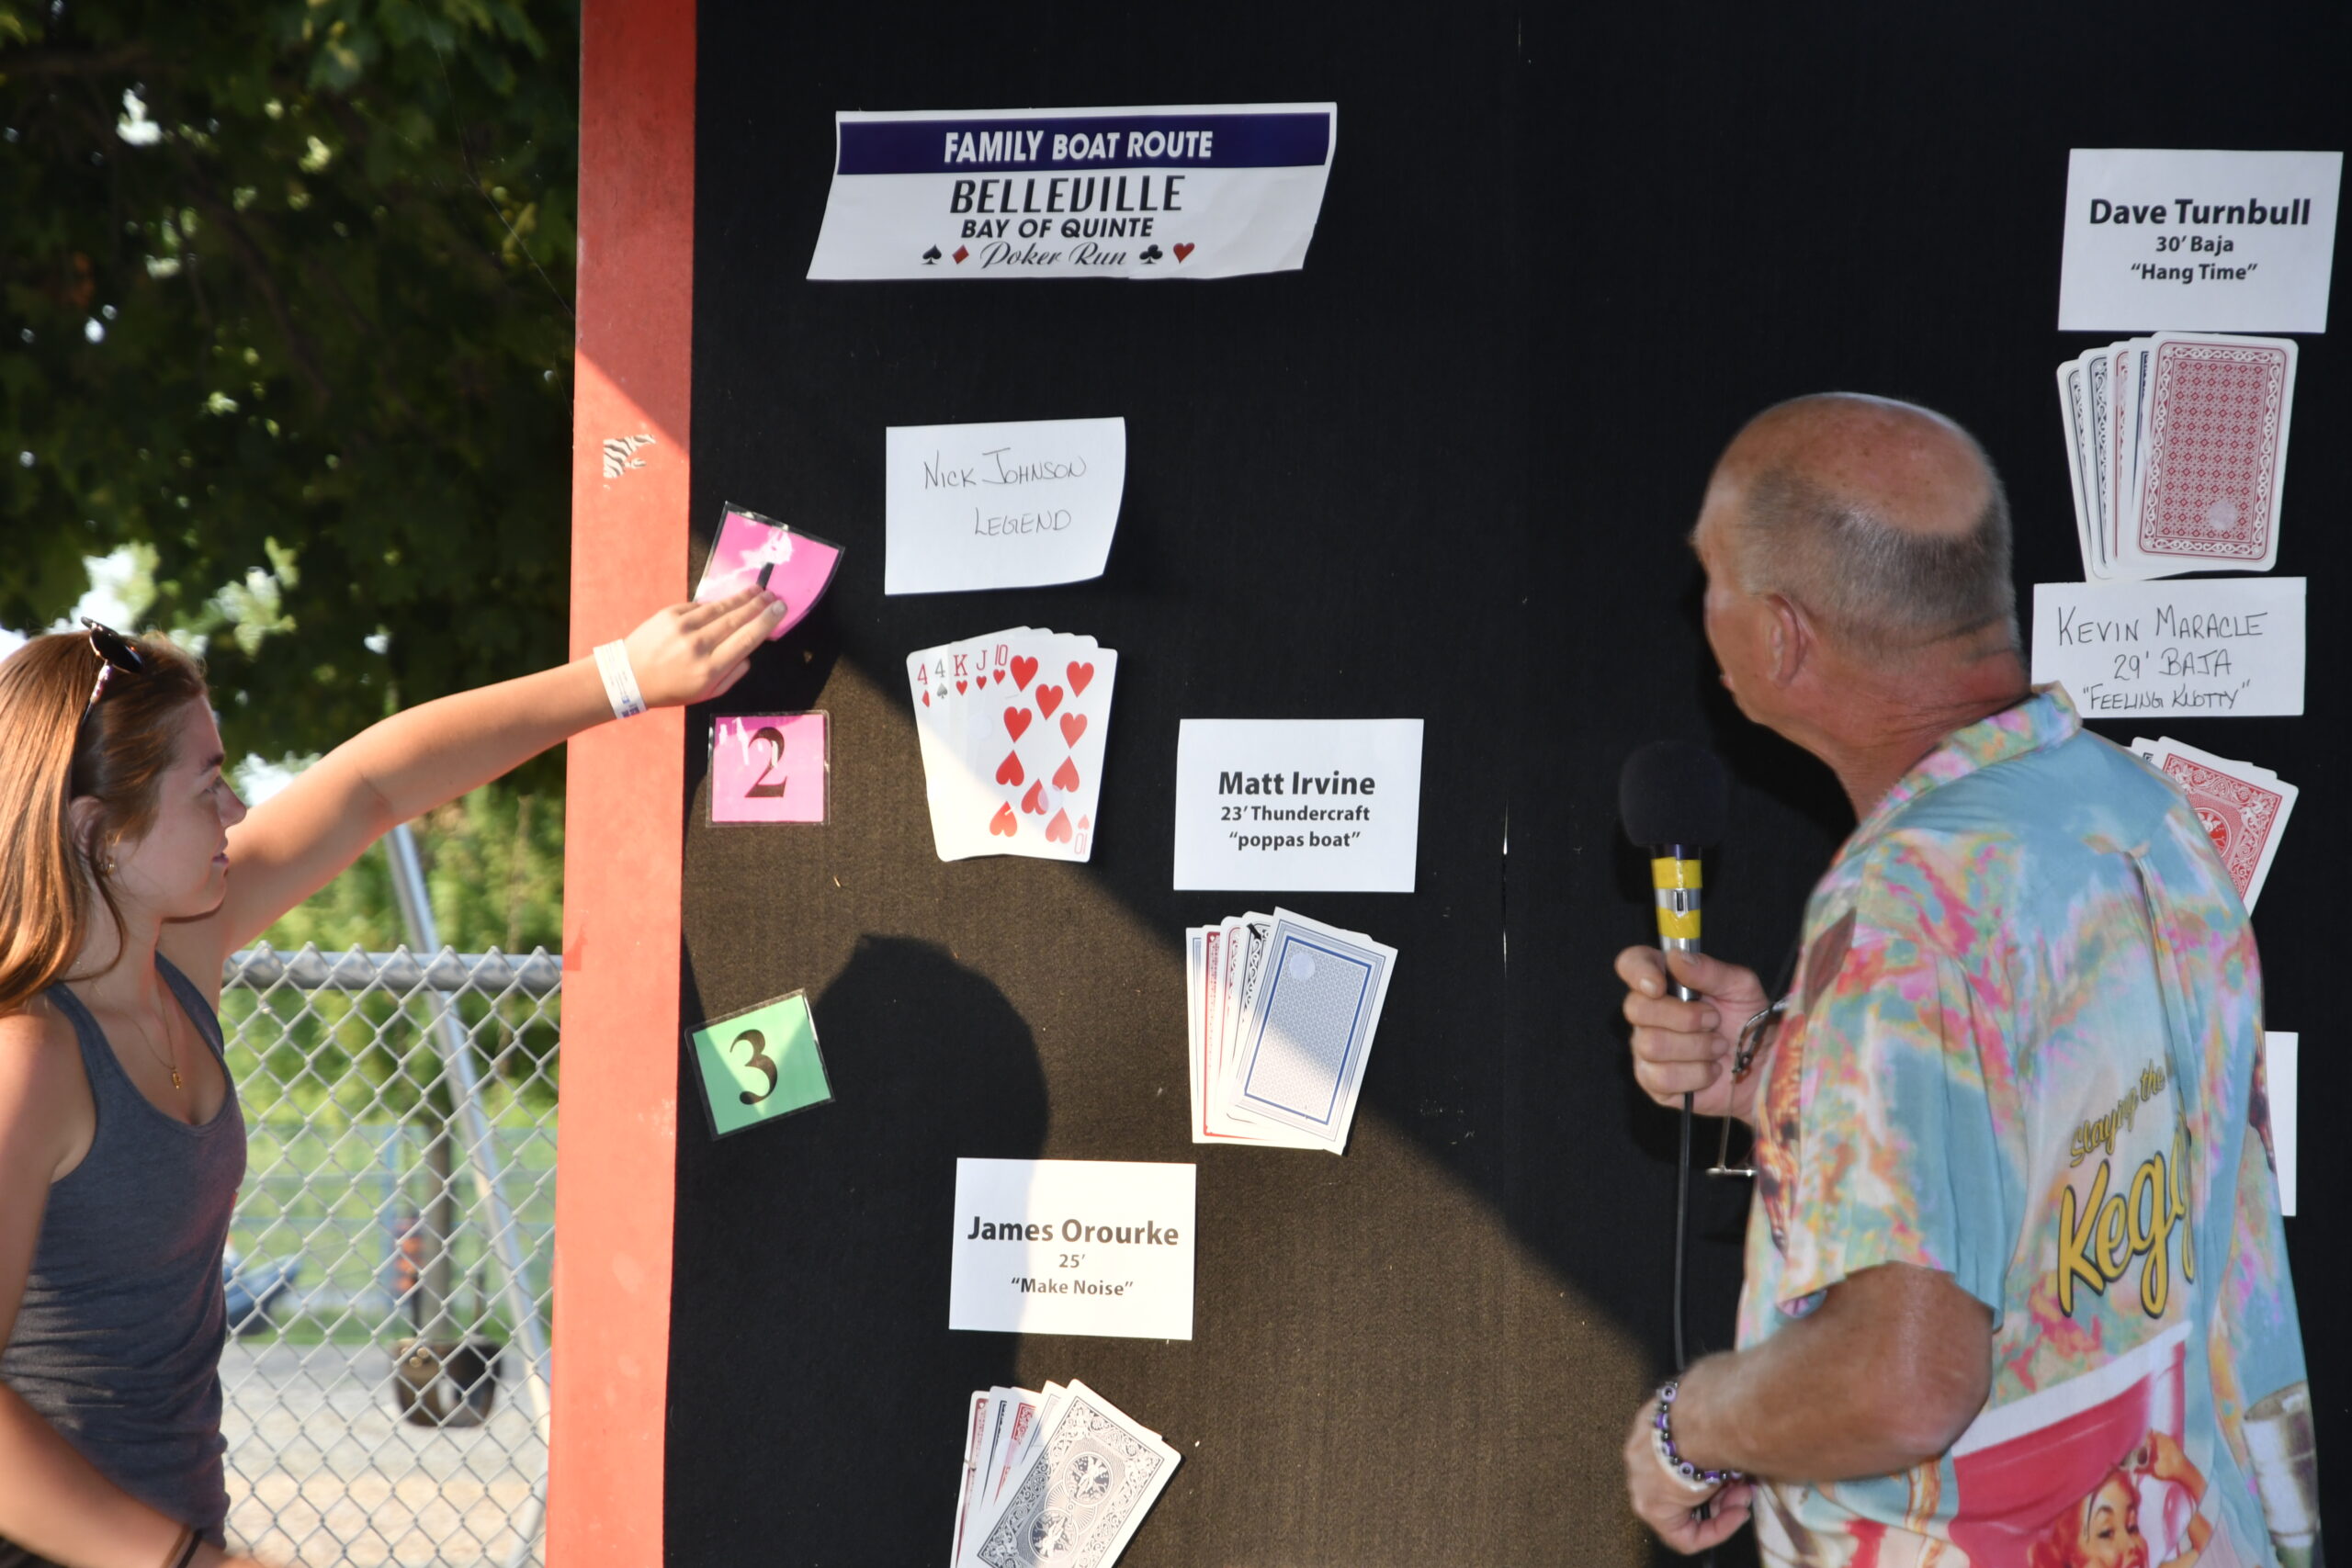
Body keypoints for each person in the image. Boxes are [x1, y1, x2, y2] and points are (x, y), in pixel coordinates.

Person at [1612, 394, 2316, 1563]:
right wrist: (1787, 1068)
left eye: (1714, 586)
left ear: (1785, 637)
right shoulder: (2126, 809)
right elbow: (2054, 1136)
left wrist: (1692, 1427)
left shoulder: (1907, 906)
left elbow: (1902, 1386)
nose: (1705, 616)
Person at [0, 588, 785, 1567]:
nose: (238, 810)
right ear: (98, 832)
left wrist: (621, 678)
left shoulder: (176, 960)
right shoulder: (27, 1055)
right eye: (207, 787)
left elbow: (372, 783)